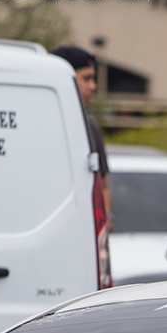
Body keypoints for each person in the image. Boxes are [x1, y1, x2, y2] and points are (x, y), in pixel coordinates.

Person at [52, 45, 112, 217]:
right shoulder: (40, 124)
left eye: (93, 80)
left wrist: (105, 218)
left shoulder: (90, 128)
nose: (93, 86)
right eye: (86, 79)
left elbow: (103, 186)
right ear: (65, 79)